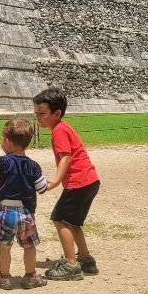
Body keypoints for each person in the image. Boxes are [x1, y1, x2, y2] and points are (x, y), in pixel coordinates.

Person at [33, 87, 100, 281]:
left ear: (57, 113)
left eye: (42, 113)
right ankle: (86, 259)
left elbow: (66, 158)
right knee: (73, 223)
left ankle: (71, 264)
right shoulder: (64, 126)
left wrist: (54, 181)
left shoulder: (58, 131)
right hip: (90, 181)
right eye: (36, 113)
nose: (38, 117)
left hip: (78, 182)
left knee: (59, 218)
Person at [0, 118, 48, 290]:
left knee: (5, 246)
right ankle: (31, 276)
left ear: (8, 142)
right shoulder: (33, 166)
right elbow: (42, 187)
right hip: (26, 214)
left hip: (5, 212)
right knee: (29, 246)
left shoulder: (3, 161)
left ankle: (4, 277)